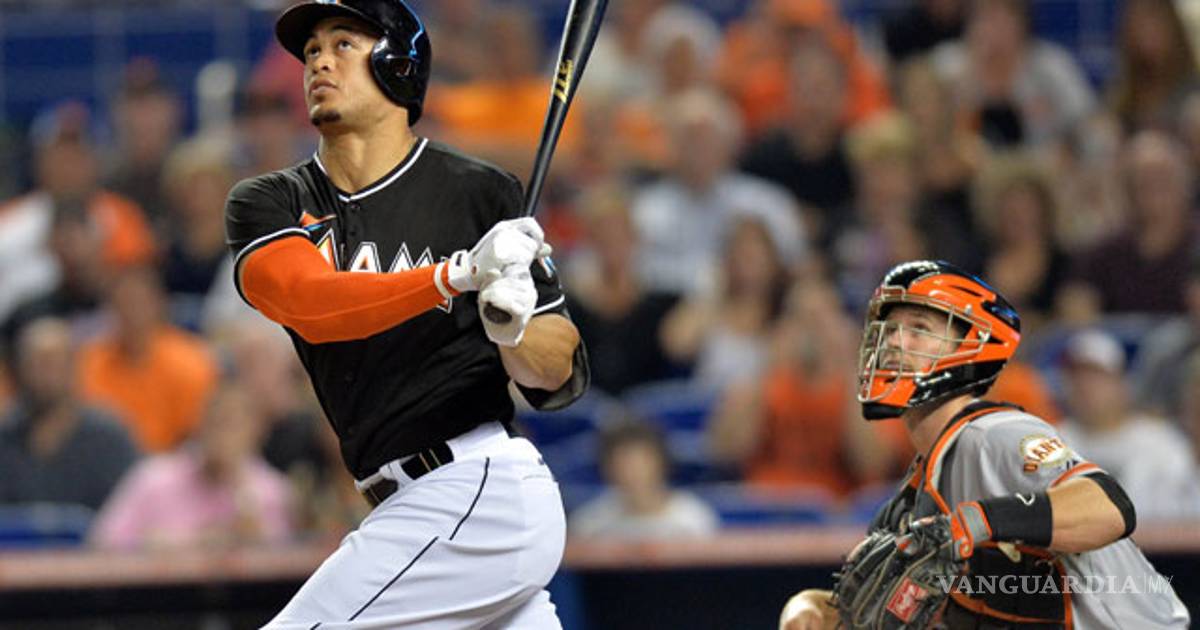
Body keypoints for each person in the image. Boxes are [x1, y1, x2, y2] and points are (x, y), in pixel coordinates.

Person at [223, 2, 588, 628]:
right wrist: (454, 276)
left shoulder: (479, 192)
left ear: (398, 63)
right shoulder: (271, 200)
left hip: (474, 488)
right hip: (409, 505)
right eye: (311, 51)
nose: (319, 61)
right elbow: (310, 302)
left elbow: (557, 374)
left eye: (343, 43)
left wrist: (512, 329)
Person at [779, 260, 1188, 630]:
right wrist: (810, 606)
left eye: (919, 328)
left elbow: (1109, 506)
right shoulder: (910, 500)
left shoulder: (993, 435)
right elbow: (860, 610)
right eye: (890, 329)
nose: (895, 343)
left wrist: (975, 522)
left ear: (969, 346)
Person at [89, 383, 294, 551]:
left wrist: (253, 533)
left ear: (257, 432)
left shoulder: (272, 490)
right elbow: (104, 542)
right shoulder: (154, 478)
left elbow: (285, 560)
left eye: (234, 425)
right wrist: (165, 545)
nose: (223, 435)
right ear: (199, 424)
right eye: (216, 421)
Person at [569, 417, 718, 540]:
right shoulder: (589, 524)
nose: (633, 472)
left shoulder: (693, 517)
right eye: (624, 463)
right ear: (608, 467)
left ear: (661, 462)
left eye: (642, 462)